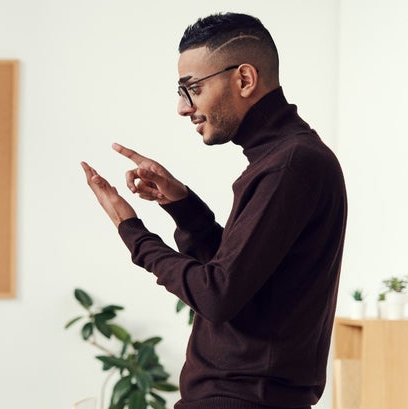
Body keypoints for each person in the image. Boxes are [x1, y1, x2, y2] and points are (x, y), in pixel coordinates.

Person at [80, 13, 347, 409]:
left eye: (193, 89)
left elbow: (217, 295)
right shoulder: (281, 160)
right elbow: (240, 281)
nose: (183, 108)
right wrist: (181, 205)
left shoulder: (290, 164)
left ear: (244, 79)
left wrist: (131, 230)